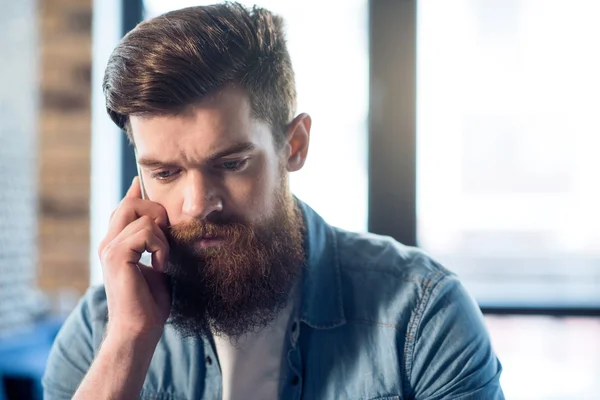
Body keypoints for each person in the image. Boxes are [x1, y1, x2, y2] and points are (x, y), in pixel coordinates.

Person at [42, 3, 504, 399]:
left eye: (231, 163)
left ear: (294, 146)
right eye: (166, 173)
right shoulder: (102, 329)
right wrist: (128, 343)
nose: (198, 204)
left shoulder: (421, 316)